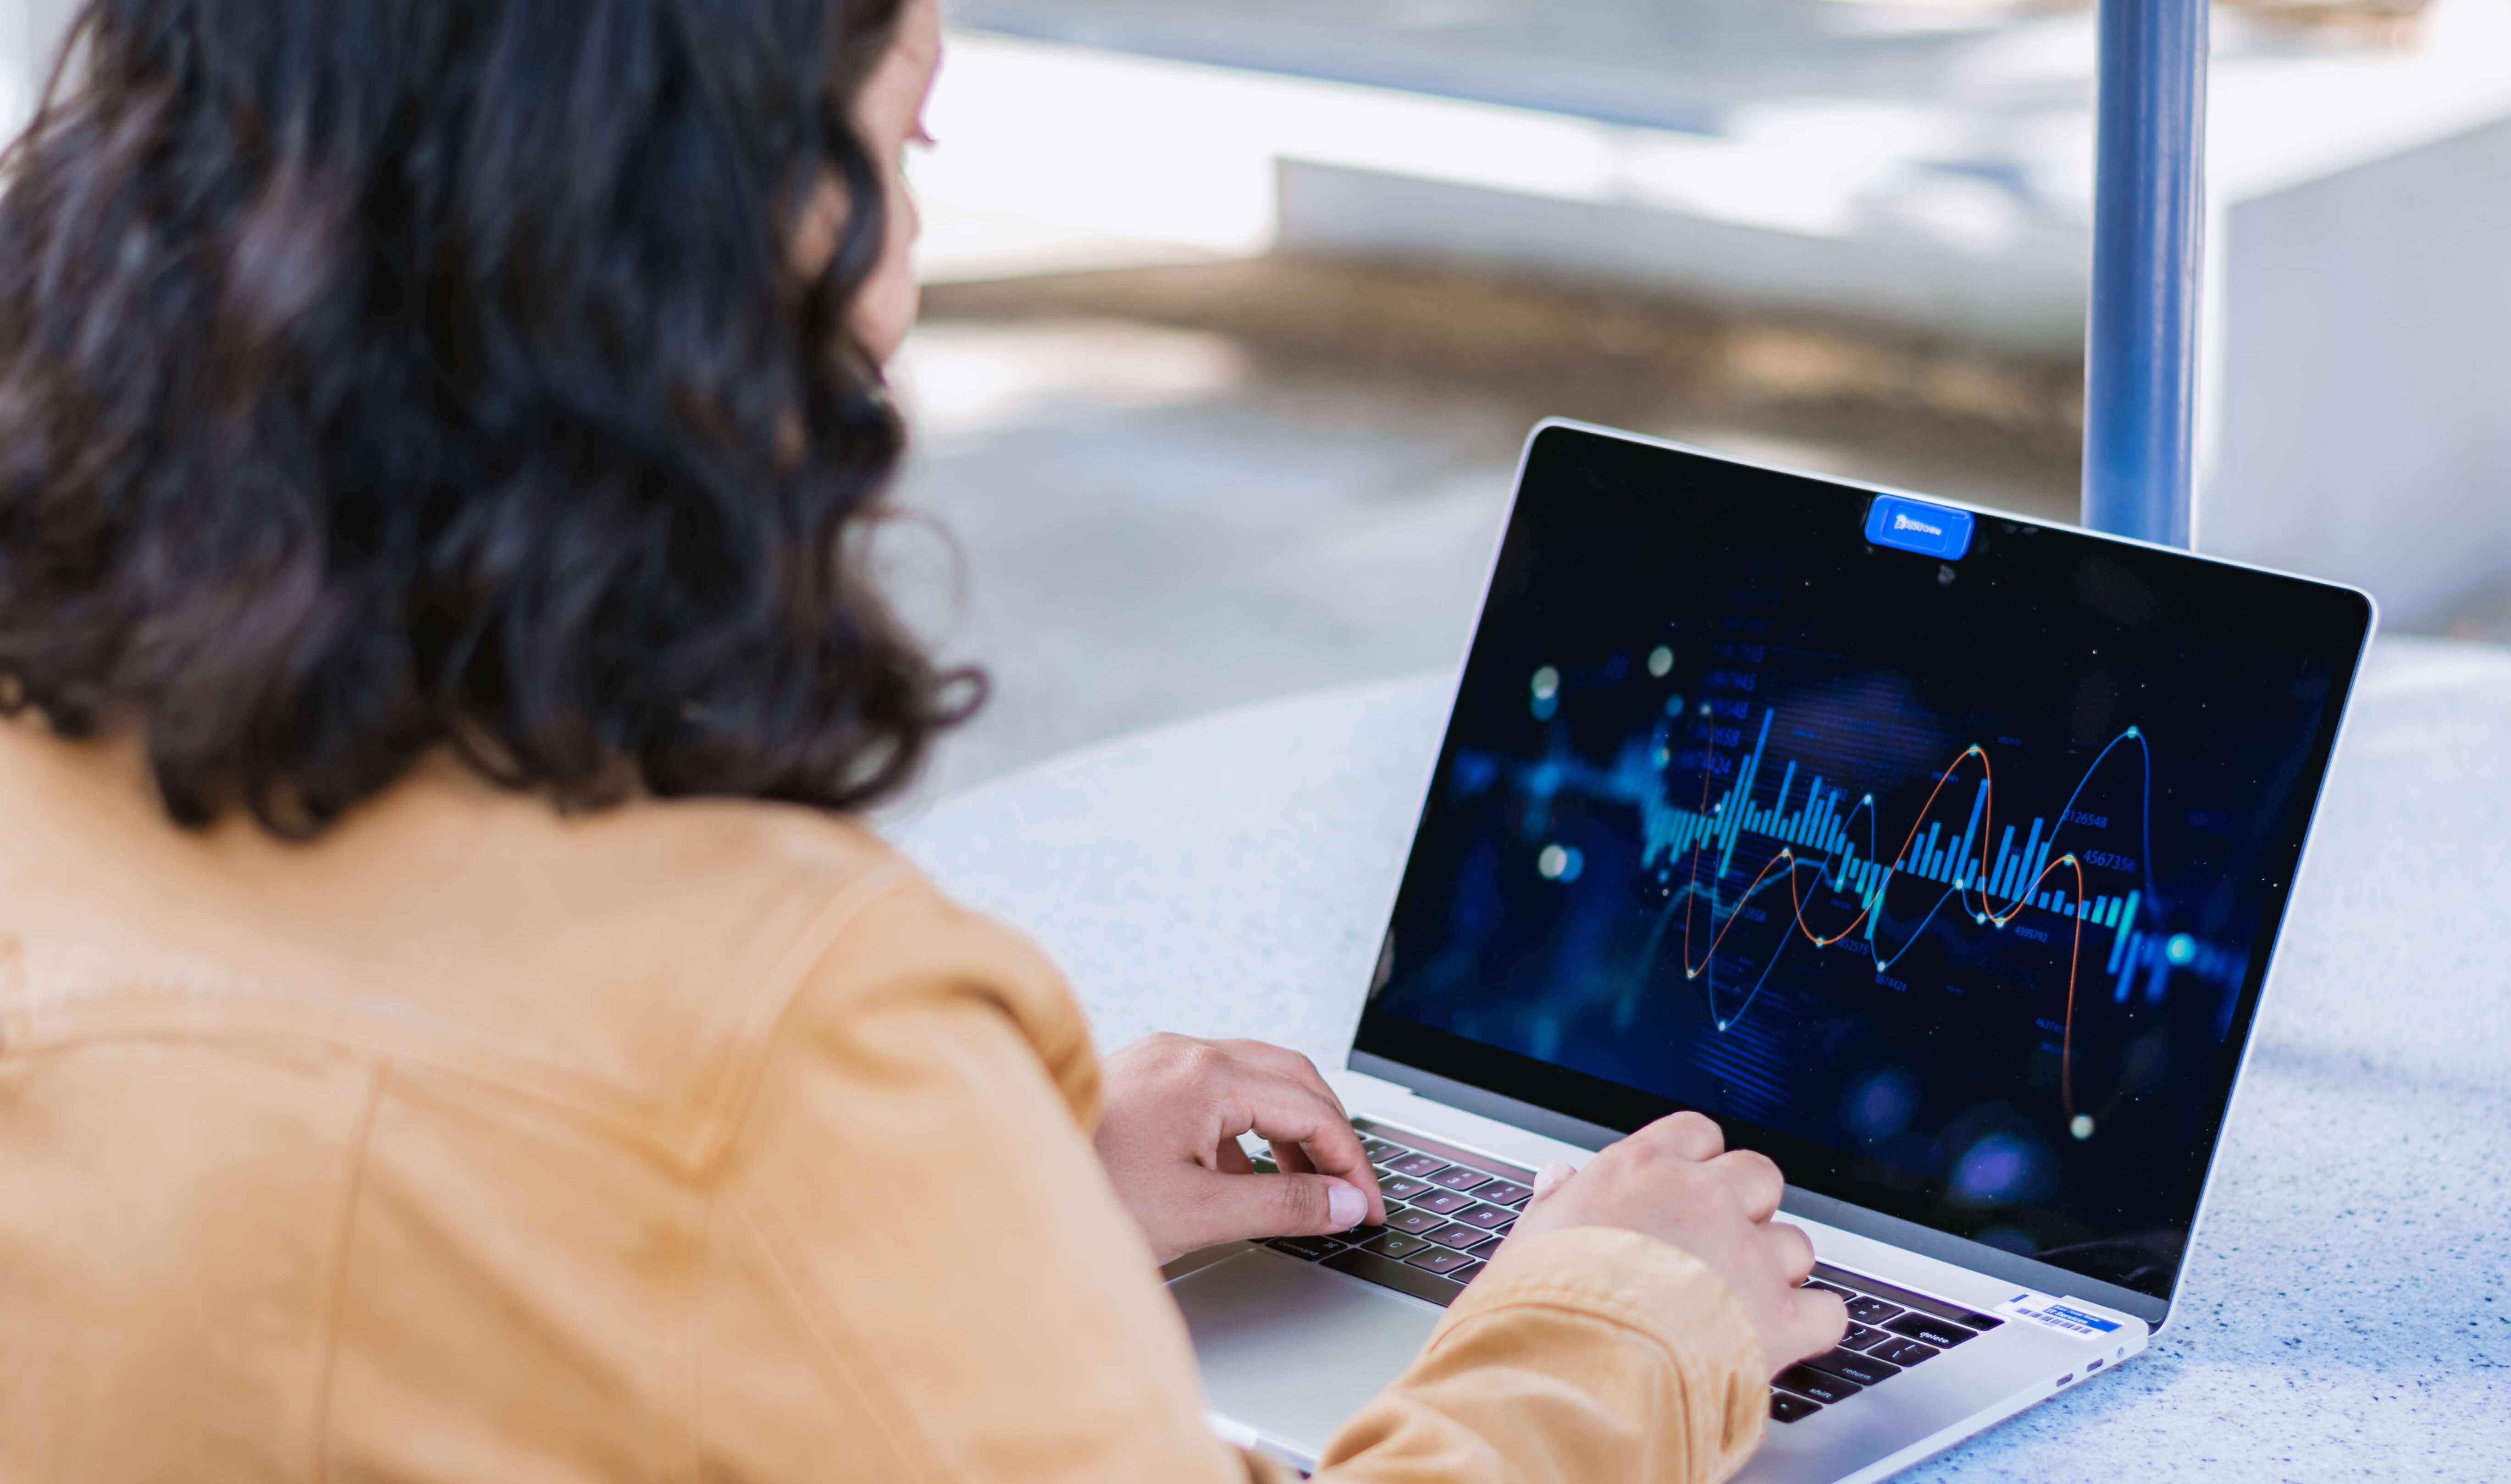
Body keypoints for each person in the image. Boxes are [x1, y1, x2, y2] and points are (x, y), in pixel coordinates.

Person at [0, 1, 1845, 1479]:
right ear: (709, 231)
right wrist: (1616, 1333)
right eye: (902, 137)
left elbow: (370, 1284)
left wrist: (973, 1220)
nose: (900, 272)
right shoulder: (778, 1034)